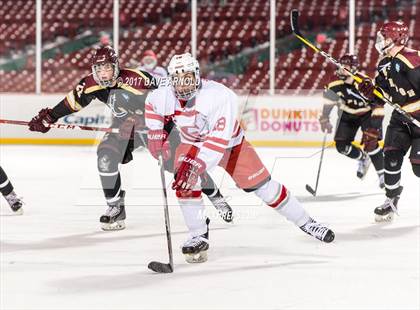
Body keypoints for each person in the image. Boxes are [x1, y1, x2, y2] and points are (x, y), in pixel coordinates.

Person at [145, 53, 335, 264]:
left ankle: (306, 222)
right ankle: (198, 234)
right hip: (191, 143)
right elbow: (151, 107)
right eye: (178, 79)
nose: (183, 84)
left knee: (265, 188)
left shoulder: (219, 96)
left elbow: (218, 142)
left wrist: (196, 165)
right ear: (171, 79)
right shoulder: (162, 96)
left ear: (197, 75)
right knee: (184, 184)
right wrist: (156, 134)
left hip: (230, 145)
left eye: (188, 77)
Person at [28, 46, 232, 231]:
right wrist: (49, 117)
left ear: (116, 67)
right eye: (99, 69)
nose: (103, 74)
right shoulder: (90, 84)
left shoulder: (136, 78)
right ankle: (115, 206)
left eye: (107, 68)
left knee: (182, 167)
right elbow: (72, 103)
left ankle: (216, 196)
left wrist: (165, 124)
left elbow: (169, 94)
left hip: (156, 125)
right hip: (124, 128)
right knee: (105, 157)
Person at [358, 21, 420, 222]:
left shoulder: (413, 59)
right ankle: (391, 200)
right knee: (391, 159)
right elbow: (381, 94)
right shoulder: (384, 63)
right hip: (400, 120)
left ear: (397, 38)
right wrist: (370, 90)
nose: (380, 41)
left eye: (384, 37)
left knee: (418, 167)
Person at [319, 54, 385, 188]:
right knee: (341, 146)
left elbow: (379, 104)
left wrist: (375, 126)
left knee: (371, 143)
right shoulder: (334, 82)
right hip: (347, 114)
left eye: (346, 67)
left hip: (367, 114)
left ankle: (383, 174)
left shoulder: (364, 82)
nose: (341, 69)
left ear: (354, 68)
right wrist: (324, 118)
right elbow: (328, 102)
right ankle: (363, 158)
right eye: (340, 66)